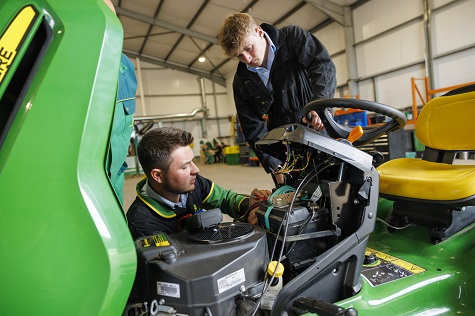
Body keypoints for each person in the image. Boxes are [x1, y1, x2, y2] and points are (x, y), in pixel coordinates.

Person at [218, 13, 337, 184]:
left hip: (317, 129)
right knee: (292, 203)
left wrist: (320, 105)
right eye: (239, 56)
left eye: (248, 48)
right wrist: (273, 164)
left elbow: (323, 66)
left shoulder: (292, 39)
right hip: (283, 147)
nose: (247, 59)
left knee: (331, 191)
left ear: (259, 32)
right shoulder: (241, 80)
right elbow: (252, 126)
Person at [126, 127, 271, 240]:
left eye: (192, 161)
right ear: (157, 175)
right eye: (184, 167)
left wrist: (250, 206)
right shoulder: (143, 225)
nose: (196, 170)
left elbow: (223, 198)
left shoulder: (192, 183)